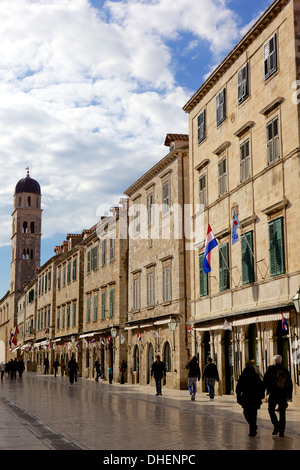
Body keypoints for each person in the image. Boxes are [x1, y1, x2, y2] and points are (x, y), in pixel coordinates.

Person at [263, 355, 293, 437]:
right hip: (283, 394)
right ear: (281, 361)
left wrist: (263, 392)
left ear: (274, 361)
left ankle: (276, 425)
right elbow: (290, 383)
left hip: (274, 393)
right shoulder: (285, 370)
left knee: (271, 410)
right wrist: (289, 395)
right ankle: (282, 432)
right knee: (282, 413)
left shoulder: (270, 369)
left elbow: (265, 381)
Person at [236, 360, 265, 437]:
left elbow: (238, 388)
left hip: (246, 397)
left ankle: (252, 430)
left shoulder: (244, 375)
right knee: (253, 414)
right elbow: (262, 386)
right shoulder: (255, 376)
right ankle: (253, 426)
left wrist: (238, 397)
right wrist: (261, 395)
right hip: (255, 398)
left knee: (246, 413)